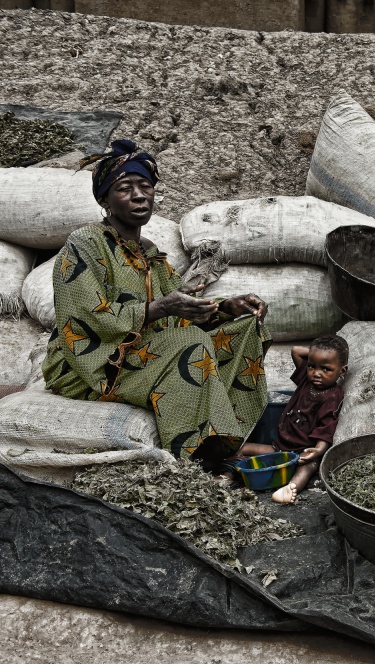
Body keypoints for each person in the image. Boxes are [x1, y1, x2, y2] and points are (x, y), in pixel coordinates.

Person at [42, 139, 271, 470]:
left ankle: (226, 439)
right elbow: (89, 318)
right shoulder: (86, 243)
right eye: (124, 188)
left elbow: (184, 306)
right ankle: (195, 460)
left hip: (139, 353)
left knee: (244, 329)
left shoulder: (149, 252)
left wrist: (227, 308)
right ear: (105, 199)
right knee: (187, 343)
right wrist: (162, 309)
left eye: (144, 186)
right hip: (90, 366)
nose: (138, 195)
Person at [226, 334, 348, 503]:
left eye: (326, 369)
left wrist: (317, 451)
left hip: (302, 453)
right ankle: (227, 476)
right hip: (279, 447)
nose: (317, 373)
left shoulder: (333, 396)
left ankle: (290, 488)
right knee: (242, 448)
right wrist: (317, 353)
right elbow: (296, 351)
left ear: (342, 371)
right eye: (312, 366)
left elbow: (326, 427)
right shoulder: (306, 380)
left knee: (308, 468)